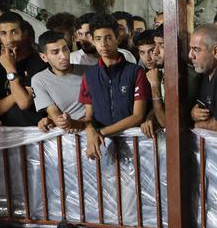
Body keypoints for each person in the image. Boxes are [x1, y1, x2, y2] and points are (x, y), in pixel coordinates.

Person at [80, 17, 150, 159]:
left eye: (108, 38)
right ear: (92, 40)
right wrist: (90, 130)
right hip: (102, 147)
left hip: (135, 146)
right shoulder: (89, 75)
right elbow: (89, 116)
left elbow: (138, 116)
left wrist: (101, 133)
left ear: (118, 38)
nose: (103, 44)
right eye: (98, 39)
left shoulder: (135, 72)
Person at [0, 12, 46, 126]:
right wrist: (21, 91)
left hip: (36, 131)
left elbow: (24, 103)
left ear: (24, 34)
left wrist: (10, 69)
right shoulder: (0, 63)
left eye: (14, 32)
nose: (9, 39)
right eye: (3, 33)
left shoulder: (38, 61)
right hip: (9, 133)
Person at [31, 31, 87, 133]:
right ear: (44, 57)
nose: (64, 56)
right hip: (68, 138)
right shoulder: (39, 80)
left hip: (95, 131)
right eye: (55, 52)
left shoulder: (89, 72)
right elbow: (56, 116)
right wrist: (61, 121)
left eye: (65, 49)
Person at [71, 12, 136, 65]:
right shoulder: (72, 59)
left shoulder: (125, 56)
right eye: (80, 34)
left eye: (88, 34)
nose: (83, 39)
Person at [134, 29, 166, 135]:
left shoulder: (169, 75)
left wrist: (150, 117)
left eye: (151, 51)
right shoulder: (139, 75)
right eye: (142, 52)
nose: (147, 58)